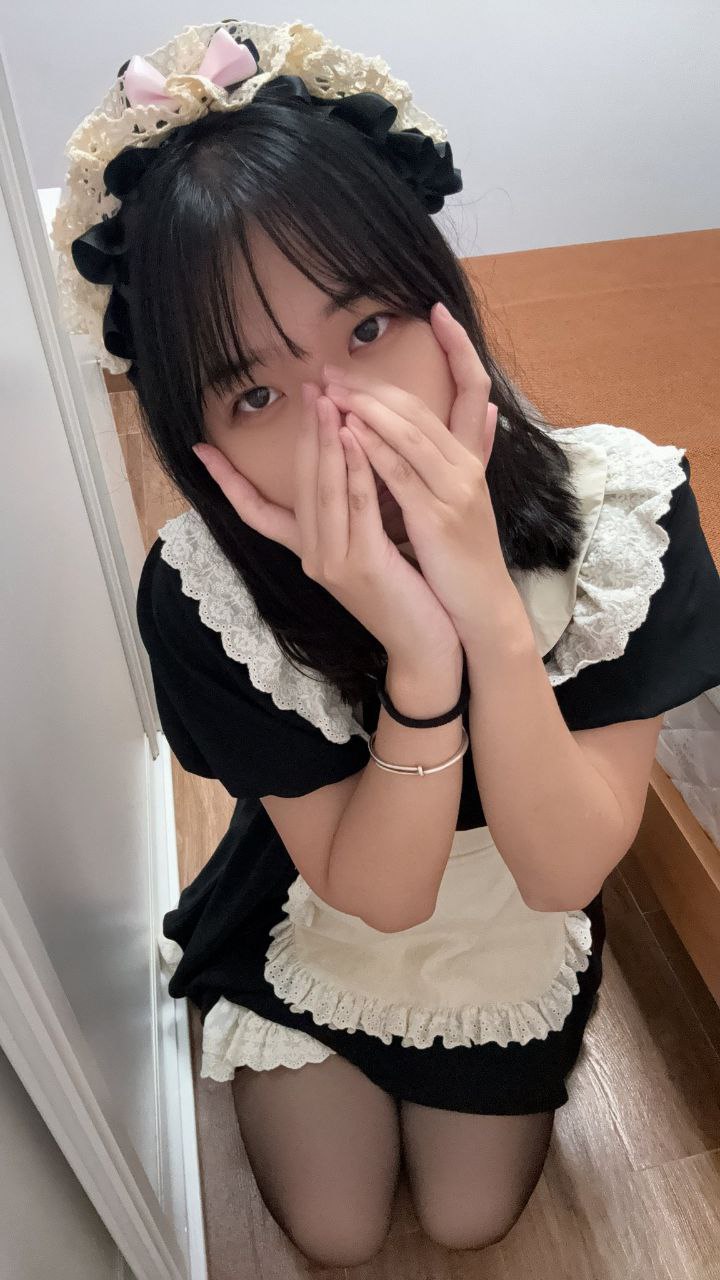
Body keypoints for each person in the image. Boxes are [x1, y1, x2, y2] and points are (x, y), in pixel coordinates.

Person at [52, 18, 720, 1268]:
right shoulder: (205, 596)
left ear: (441, 298)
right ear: (199, 439)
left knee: (469, 1215)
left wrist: (483, 607)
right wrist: (417, 659)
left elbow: (564, 869)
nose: (342, 419)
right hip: (327, 898)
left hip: (513, 922)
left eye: (367, 329)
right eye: (257, 391)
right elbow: (381, 892)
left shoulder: (624, 515)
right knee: (337, 1227)